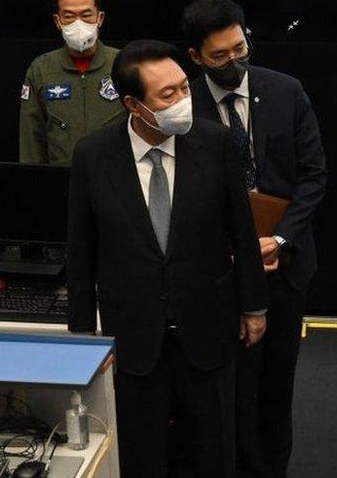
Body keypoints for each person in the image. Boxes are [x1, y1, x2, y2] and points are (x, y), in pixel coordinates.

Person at [66, 40, 268, 477]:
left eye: (184, 88)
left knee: (213, 452)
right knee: (143, 455)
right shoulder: (93, 155)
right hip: (134, 335)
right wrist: (82, 336)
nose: (183, 101)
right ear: (133, 105)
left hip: (208, 326)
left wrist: (253, 305)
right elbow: (81, 250)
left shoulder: (214, 142)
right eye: (168, 95)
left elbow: (242, 231)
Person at [183, 0, 327, 478]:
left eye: (239, 49)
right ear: (196, 57)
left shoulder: (285, 91)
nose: (233, 62)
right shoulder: (183, 105)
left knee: (275, 385)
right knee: (227, 388)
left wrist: (280, 239)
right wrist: (233, 248)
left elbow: (314, 177)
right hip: (217, 271)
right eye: (219, 56)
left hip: (283, 266)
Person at [19, 0, 124, 165]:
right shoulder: (41, 69)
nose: (78, 23)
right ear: (58, 21)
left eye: (86, 15)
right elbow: (31, 137)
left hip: (113, 179)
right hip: (61, 181)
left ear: (99, 18)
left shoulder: (123, 63)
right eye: (69, 16)